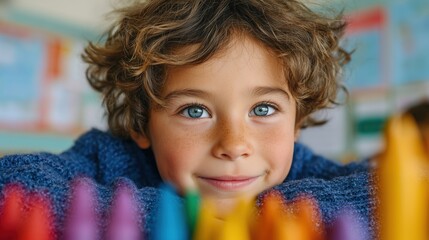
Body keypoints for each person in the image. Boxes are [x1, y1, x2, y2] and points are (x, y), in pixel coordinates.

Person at [0, 0, 376, 238]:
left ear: (296, 122)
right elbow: (13, 183)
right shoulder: (109, 159)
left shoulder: (303, 170)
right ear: (142, 122)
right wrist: (200, 222)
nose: (233, 145)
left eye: (263, 109)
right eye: (195, 111)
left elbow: (379, 192)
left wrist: (246, 220)